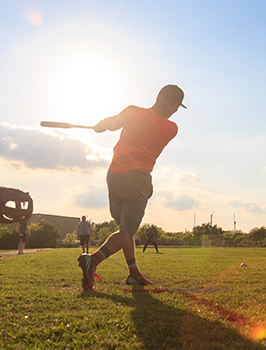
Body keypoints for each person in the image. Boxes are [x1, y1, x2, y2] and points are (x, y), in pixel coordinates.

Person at [78, 85, 186, 290]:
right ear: (172, 105)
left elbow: (112, 123)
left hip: (114, 176)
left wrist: (101, 125)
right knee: (127, 231)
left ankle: (134, 273)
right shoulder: (171, 129)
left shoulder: (132, 112)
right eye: (177, 107)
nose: (176, 111)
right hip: (138, 179)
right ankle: (93, 260)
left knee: (124, 231)